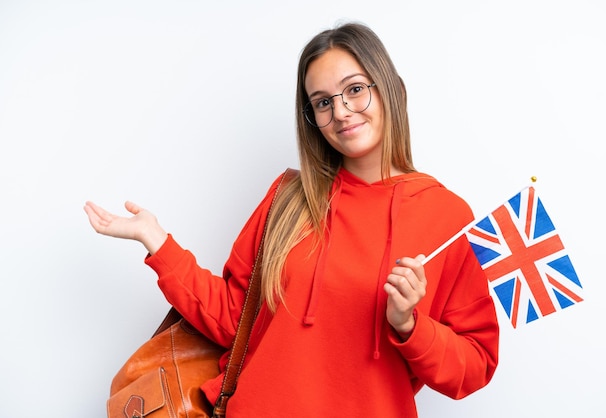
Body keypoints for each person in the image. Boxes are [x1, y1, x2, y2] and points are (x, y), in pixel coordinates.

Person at [85, 22, 499, 417]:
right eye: (322, 102)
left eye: (355, 90)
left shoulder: (447, 216)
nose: (340, 112)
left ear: (390, 89)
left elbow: (475, 366)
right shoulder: (288, 198)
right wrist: (156, 240)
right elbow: (232, 319)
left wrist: (409, 325)